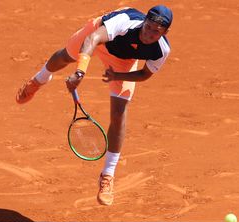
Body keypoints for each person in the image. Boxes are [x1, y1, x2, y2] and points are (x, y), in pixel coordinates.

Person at [15, 5, 173, 206]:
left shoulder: (162, 50)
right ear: (144, 22)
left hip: (123, 61)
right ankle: (39, 79)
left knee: (119, 113)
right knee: (65, 57)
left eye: (156, 32)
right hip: (97, 38)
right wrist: (80, 72)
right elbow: (92, 39)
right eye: (148, 27)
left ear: (165, 33)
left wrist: (117, 76)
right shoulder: (124, 22)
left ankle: (107, 175)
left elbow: (143, 74)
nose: (149, 34)